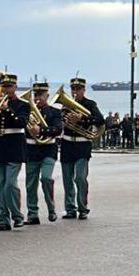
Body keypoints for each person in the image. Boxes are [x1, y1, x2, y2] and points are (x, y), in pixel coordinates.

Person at [0, 74, 30, 231]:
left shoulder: (23, 105)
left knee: (10, 184)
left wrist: (8, 110)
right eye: (4, 87)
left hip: (14, 146)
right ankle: (3, 219)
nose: (6, 89)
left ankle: (17, 215)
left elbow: (22, 122)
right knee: (0, 185)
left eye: (9, 87)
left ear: (15, 87)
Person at [60, 77, 105, 220]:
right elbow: (62, 120)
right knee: (67, 179)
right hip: (67, 144)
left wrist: (82, 119)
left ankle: (83, 207)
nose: (75, 92)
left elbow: (100, 120)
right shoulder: (66, 106)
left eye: (78, 89)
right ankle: (70, 209)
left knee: (80, 177)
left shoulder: (90, 104)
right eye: (73, 89)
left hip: (82, 145)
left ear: (83, 90)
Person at [23, 82, 63, 224]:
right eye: (36, 95)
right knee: (30, 184)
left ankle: (51, 208)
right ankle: (32, 214)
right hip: (32, 151)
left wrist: (41, 131)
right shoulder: (27, 112)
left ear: (47, 95)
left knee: (46, 178)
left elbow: (58, 129)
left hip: (48, 150)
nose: (38, 98)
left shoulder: (54, 112)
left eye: (41, 95)